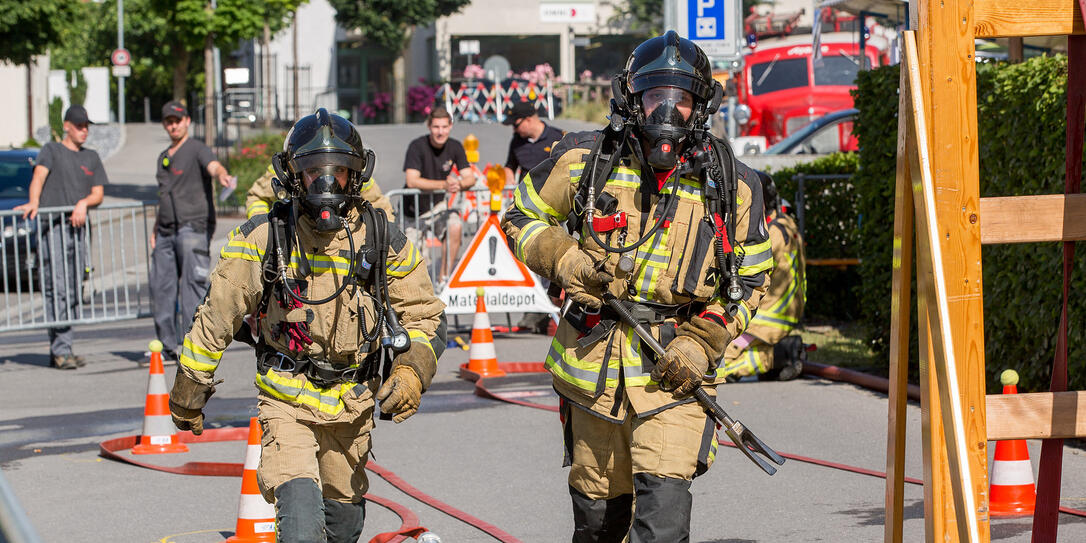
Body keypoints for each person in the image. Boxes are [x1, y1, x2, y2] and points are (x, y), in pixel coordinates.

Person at [501, 31, 773, 541]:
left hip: (674, 375)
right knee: (599, 526)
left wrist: (702, 341)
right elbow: (521, 214)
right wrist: (564, 259)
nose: (666, 112)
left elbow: (751, 276)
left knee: (663, 525)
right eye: (654, 97)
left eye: (682, 100)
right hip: (592, 373)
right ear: (631, 98)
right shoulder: (585, 160)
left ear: (700, 107)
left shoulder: (732, 185)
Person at [168, 109, 446, 542]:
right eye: (313, 172)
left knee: (344, 525)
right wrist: (189, 392)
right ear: (293, 175)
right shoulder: (264, 238)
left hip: (353, 405)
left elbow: (426, 315)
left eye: (338, 173)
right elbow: (216, 316)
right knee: (300, 524)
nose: (325, 184)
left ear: (357, 177)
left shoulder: (380, 237)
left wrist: (411, 372)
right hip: (287, 401)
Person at [14, 105, 107, 370]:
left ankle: (60, 348)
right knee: (57, 287)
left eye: (86, 126)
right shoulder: (51, 151)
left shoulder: (91, 157)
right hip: (52, 228)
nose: (84, 130)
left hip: (78, 231)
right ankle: (61, 349)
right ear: (66, 126)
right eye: (79, 125)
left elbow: (98, 193)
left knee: (74, 287)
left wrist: (82, 204)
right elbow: (39, 177)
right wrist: (33, 201)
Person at [151, 100, 233, 361]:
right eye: (169, 121)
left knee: (192, 290)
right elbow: (163, 195)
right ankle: (166, 346)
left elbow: (212, 166)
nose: (173, 125)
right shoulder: (164, 156)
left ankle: (193, 346)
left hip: (192, 227)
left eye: (177, 120)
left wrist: (222, 175)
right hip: (165, 230)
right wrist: (155, 227)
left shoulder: (197, 148)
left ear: (187, 121)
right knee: (161, 289)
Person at [722, 171, 807, 381]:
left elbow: (744, 273)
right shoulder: (785, 223)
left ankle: (783, 355)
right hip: (782, 314)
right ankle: (779, 353)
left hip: (765, 320)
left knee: (721, 362)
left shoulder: (771, 234)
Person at [502, 100, 566, 334]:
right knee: (532, 262)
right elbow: (510, 166)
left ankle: (549, 312)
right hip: (529, 214)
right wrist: (507, 179)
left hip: (557, 213)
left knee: (555, 263)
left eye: (516, 124)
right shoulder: (517, 142)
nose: (514, 129)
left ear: (530, 119)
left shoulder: (559, 138)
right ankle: (536, 312)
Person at [402, 107, 475, 281]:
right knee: (414, 260)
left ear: (450, 126)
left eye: (444, 127)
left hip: (438, 205)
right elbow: (412, 180)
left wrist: (459, 184)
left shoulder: (455, 146)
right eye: (436, 127)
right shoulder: (417, 146)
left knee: (454, 226)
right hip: (413, 209)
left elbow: (469, 178)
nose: (440, 132)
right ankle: (420, 293)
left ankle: (444, 280)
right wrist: (444, 185)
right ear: (429, 127)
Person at [246, 162, 395, 220]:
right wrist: (264, 228)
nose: (326, 179)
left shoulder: (356, 175)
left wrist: (379, 238)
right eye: (313, 170)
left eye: (338, 169)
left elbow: (378, 204)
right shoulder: (288, 170)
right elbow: (258, 196)